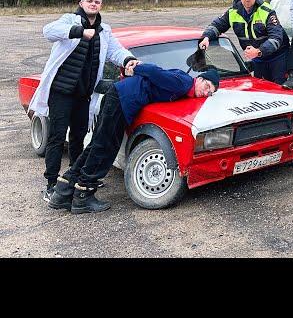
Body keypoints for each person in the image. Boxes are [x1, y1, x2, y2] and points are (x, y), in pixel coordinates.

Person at [48, 63, 220, 214]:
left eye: (210, 92)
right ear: (200, 79)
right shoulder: (183, 83)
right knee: (105, 148)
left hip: (118, 96)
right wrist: (136, 67)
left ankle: (63, 191)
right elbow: (155, 72)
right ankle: (83, 196)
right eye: (207, 86)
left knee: (96, 145)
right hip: (122, 100)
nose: (206, 93)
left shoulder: (184, 82)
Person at [28, 0, 138, 203]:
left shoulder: (104, 30)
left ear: (101, 5)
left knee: (79, 137)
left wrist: (128, 59)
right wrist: (79, 31)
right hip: (61, 91)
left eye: (97, 2)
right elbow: (48, 31)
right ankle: (51, 184)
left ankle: (72, 178)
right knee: (57, 138)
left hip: (83, 94)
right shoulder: (69, 20)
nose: (93, 4)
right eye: (90, 1)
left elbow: (116, 51)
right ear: (81, 3)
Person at [199, 0, 290, 85]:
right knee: (261, 89)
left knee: (280, 89)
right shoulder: (233, 12)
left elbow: (276, 38)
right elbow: (216, 25)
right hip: (257, 59)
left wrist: (258, 51)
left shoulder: (267, 11)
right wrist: (206, 37)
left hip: (277, 57)